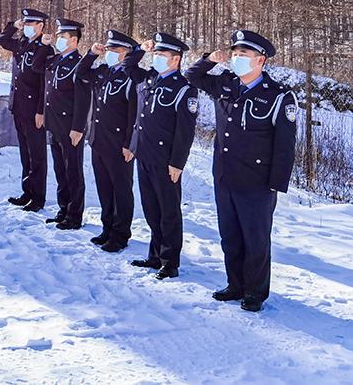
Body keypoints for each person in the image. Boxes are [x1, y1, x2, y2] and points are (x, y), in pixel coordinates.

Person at [186, 30, 297, 312]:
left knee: (256, 240)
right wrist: (210, 59)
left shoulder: (278, 96)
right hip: (225, 176)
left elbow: (285, 146)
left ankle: (255, 292)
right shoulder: (225, 84)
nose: (236, 59)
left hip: (257, 183)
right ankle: (235, 285)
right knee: (230, 236)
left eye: (243, 55)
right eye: (234, 54)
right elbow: (192, 77)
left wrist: (275, 184)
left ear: (260, 60)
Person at [123, 33, 198, 280]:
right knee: (151, 209)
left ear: (176, 59)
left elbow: (185, 132)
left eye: (161, 55)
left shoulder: (184, 89)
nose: (156, 58)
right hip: (144, 154)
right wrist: (141, 49)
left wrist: (177, 162)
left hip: (166, 161)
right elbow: (128, 65)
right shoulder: (150, 79)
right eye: (155, 54)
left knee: (169, 212)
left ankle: (170, 261)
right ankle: (154, 255)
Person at [77, 30, 142, 252]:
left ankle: (120, 234)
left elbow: (134, 115)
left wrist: (129, 144)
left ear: (128, 54)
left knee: (121, 190)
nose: (110, 53)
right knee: (104, 188)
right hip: (99, 140)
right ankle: (107, 228)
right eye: (109, 49)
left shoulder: (132, 77)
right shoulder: (104, 72)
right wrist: (92, 54)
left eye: (116, 50)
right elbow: (81, 74)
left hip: (119, 144)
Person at [34, 18, 91, 229]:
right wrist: (43, 45)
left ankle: (74, 216)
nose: (58, 39)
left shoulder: (81, 64)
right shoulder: (55, 59)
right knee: (60, 170)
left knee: (73, 171)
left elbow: (83, 100)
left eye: (62, 37)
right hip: (54, 124)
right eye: (58, 36)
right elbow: (37, 66)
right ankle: (63, 208)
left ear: (74, 40)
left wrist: (78, 128)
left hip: (70, 127)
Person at [0, 9, 49, 212]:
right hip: (19, 106)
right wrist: (13, 25)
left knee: (37, 155)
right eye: (25, 24)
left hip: (33, 110)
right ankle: (27, 192)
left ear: (40, 26)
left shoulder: (45, 48)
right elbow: (2, 40)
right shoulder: (21, 43)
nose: (27, 27)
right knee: (25, 154)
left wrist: (41, 111)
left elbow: (44, 84)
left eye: (30, 24)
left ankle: (38, 197)